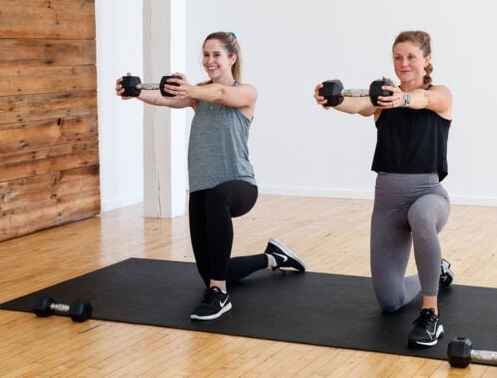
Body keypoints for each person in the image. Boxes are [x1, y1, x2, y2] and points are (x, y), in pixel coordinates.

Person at [116, 31, 305, 321]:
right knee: (213, 271)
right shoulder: (197, 95)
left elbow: (220, 93)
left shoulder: (246, 92)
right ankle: (274, 257)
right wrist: (135, 91)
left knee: (218, 201)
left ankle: (220, 296)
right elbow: (164, 100)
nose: (209, 60)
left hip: (240, 186)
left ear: (232, 58)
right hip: (202, 189)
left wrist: (189, 89)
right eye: (205, 54)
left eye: (216, 54)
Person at [313, 30, 454, 348]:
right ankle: (437, 270)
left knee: (420, 215)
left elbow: (426, 100)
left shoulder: (440, 94)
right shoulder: (381, 99)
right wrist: (330, 99)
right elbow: (357, 104)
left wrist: (402, 98)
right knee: (390, 301)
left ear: (426, 60)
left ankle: (430, 315)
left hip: (429, 196)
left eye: (411, 57)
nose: (404, 63)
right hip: (388, 202)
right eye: (398, 57)